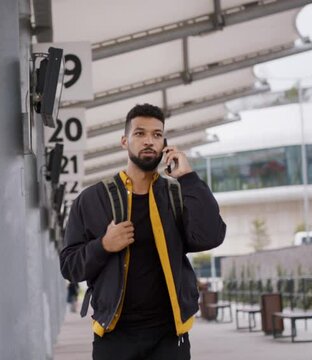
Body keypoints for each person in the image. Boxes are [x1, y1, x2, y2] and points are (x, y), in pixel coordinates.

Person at [59, 104, 226, 359]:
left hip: (169, 337)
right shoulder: (92, 199)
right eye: (140, 133)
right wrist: (103, 245)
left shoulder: (176, 194)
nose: (149, 141)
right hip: (114, 337)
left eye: (157, 135)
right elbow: (70, 267)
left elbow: (211, 236)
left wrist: (188, 177)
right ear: (124, 141)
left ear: (165, 144)